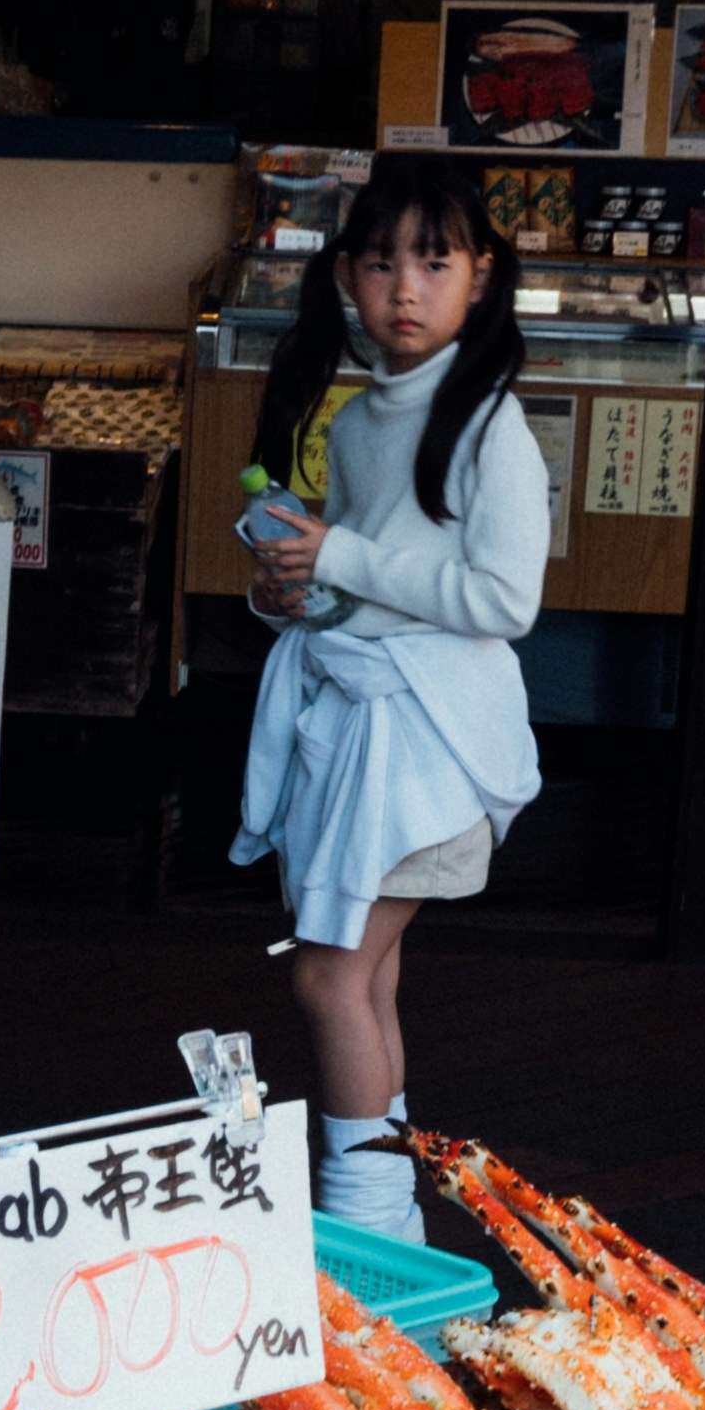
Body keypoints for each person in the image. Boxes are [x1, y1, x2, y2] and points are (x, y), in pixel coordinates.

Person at [231, 154, 552, 1239]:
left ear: (480, 276)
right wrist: (287, 586)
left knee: (329, 980)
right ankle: (382, 1223)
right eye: (381, 263)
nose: (404, 289)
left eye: (433, 260)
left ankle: (362, 1222)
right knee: (360, 982)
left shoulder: (487, 424)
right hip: (364, 730)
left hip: (429, 743)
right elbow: (351, 585)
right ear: (344, 278)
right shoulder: (366, 417)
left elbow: (504, 599)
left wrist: (342, 557)